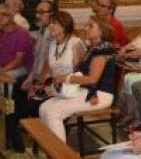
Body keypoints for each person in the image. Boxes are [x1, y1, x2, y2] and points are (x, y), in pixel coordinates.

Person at [8, 11, 85, 151]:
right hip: (54, 87)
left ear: (64, 25)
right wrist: (38, 86)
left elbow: (79, 75)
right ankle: (21, 144)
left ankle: (43, 140)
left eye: (54, 23)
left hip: (69, 90)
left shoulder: (76, 44)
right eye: (50, 23)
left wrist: (53, 88)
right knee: (18, 100)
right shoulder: (53, 44)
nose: (50, 26)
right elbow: (48, 69)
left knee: (31, 105)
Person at [38, 15, 117, 142]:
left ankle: (59, 151)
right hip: (87, 91)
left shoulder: (103, 50)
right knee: (44, 107)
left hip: (100, 95)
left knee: (53, 111)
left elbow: (92, 79)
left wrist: (66, 78)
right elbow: (81, 73)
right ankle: (50, 145)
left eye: (90, 26)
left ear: (102, 31)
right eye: (87, 25)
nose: (86, 28)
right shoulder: (94, 48)